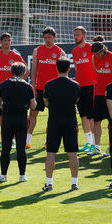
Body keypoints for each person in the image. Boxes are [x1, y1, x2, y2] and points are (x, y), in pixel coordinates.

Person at [41, 58, 81, 192]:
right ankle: (74, 183)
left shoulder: (49, 84)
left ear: (56, 68)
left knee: (51, 152)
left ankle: (49, 183)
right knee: (72, 152)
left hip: (54, 120)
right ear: (69, 68)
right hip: (70, 120)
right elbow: (76, 100)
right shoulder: (75, 85)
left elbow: (45, 101)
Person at [0, 32, 29, 147]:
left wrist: (20, 83)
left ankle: (13, 140)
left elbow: (26, 71)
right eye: (4, 40)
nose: (7, 42)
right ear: (1, 42)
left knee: (14, 114)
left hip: (14, 91)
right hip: (1, 91)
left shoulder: (16, 56)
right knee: (2, 115)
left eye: (9, 40)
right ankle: (5, 139)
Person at [0, 62, 36, 182]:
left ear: (11, 71)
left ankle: (3, 175)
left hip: (7, 119)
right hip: (22, 119)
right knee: (21, 149)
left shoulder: (4, 84)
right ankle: (22, 176)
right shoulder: (28, 86)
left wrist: (5, 109)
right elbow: (33, 106)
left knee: (5, 149)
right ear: (23, 73)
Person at [27, 26, 66, 149]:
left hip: (54, 89)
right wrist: (33, 86)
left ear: (54, 37)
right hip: (39, 88)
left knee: (53, 116)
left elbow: (63, 73)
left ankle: (49, 141)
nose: (47, 40)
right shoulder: (37, 51)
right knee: (33, 113)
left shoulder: (60, 52)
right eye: (45, 38)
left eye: (49, 37)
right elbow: (33, 70)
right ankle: (27, 140)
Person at [88, 41, 112, 156]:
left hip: (111, 95)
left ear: (103, 50)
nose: (96, 56)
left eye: (98, 53)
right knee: (96, 121)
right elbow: (98, 74)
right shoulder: (93, 58)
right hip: (99, 94)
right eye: (94, 54)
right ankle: (97, 147)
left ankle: (111, 147)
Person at [72, 26, 96, 152]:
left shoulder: (91, 48)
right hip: (79, 86)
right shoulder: (75, 51)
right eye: (75, 34)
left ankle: (94, 144)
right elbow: (76, 68)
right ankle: (88, 142)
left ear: (84, 36)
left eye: (78, 34)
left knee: (91, 116)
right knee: (83, 115)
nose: (76, 36)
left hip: (91, 85)